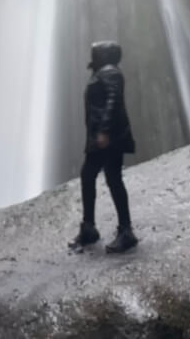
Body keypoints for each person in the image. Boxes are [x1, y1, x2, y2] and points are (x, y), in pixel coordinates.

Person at [69, 40, 138, 253]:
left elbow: (113, 100)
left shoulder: (109, 72)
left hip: (108, 138)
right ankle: (94, 227)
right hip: (103, 137)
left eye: (98, 50)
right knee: (103, 178)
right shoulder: (105, 71)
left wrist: (105, 131)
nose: (94, 51)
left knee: (101, 178)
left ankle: (121, 231)